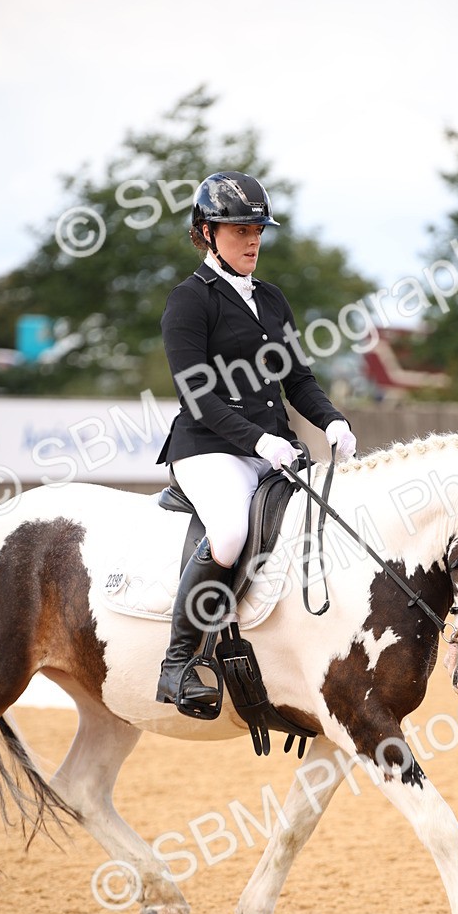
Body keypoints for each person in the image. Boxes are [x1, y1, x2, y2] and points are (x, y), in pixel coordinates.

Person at [155, 170, 357, 711]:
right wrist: (257, 441)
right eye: (239, 229)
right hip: (208, 449)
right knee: (227, 535)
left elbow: (298, 380)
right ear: (206, 232)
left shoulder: (271, 300)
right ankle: (178, 663)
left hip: (273, 448)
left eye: (258, 230)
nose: (252, 241)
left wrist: (332, 420)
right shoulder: (189, 302)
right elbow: (197, 394)